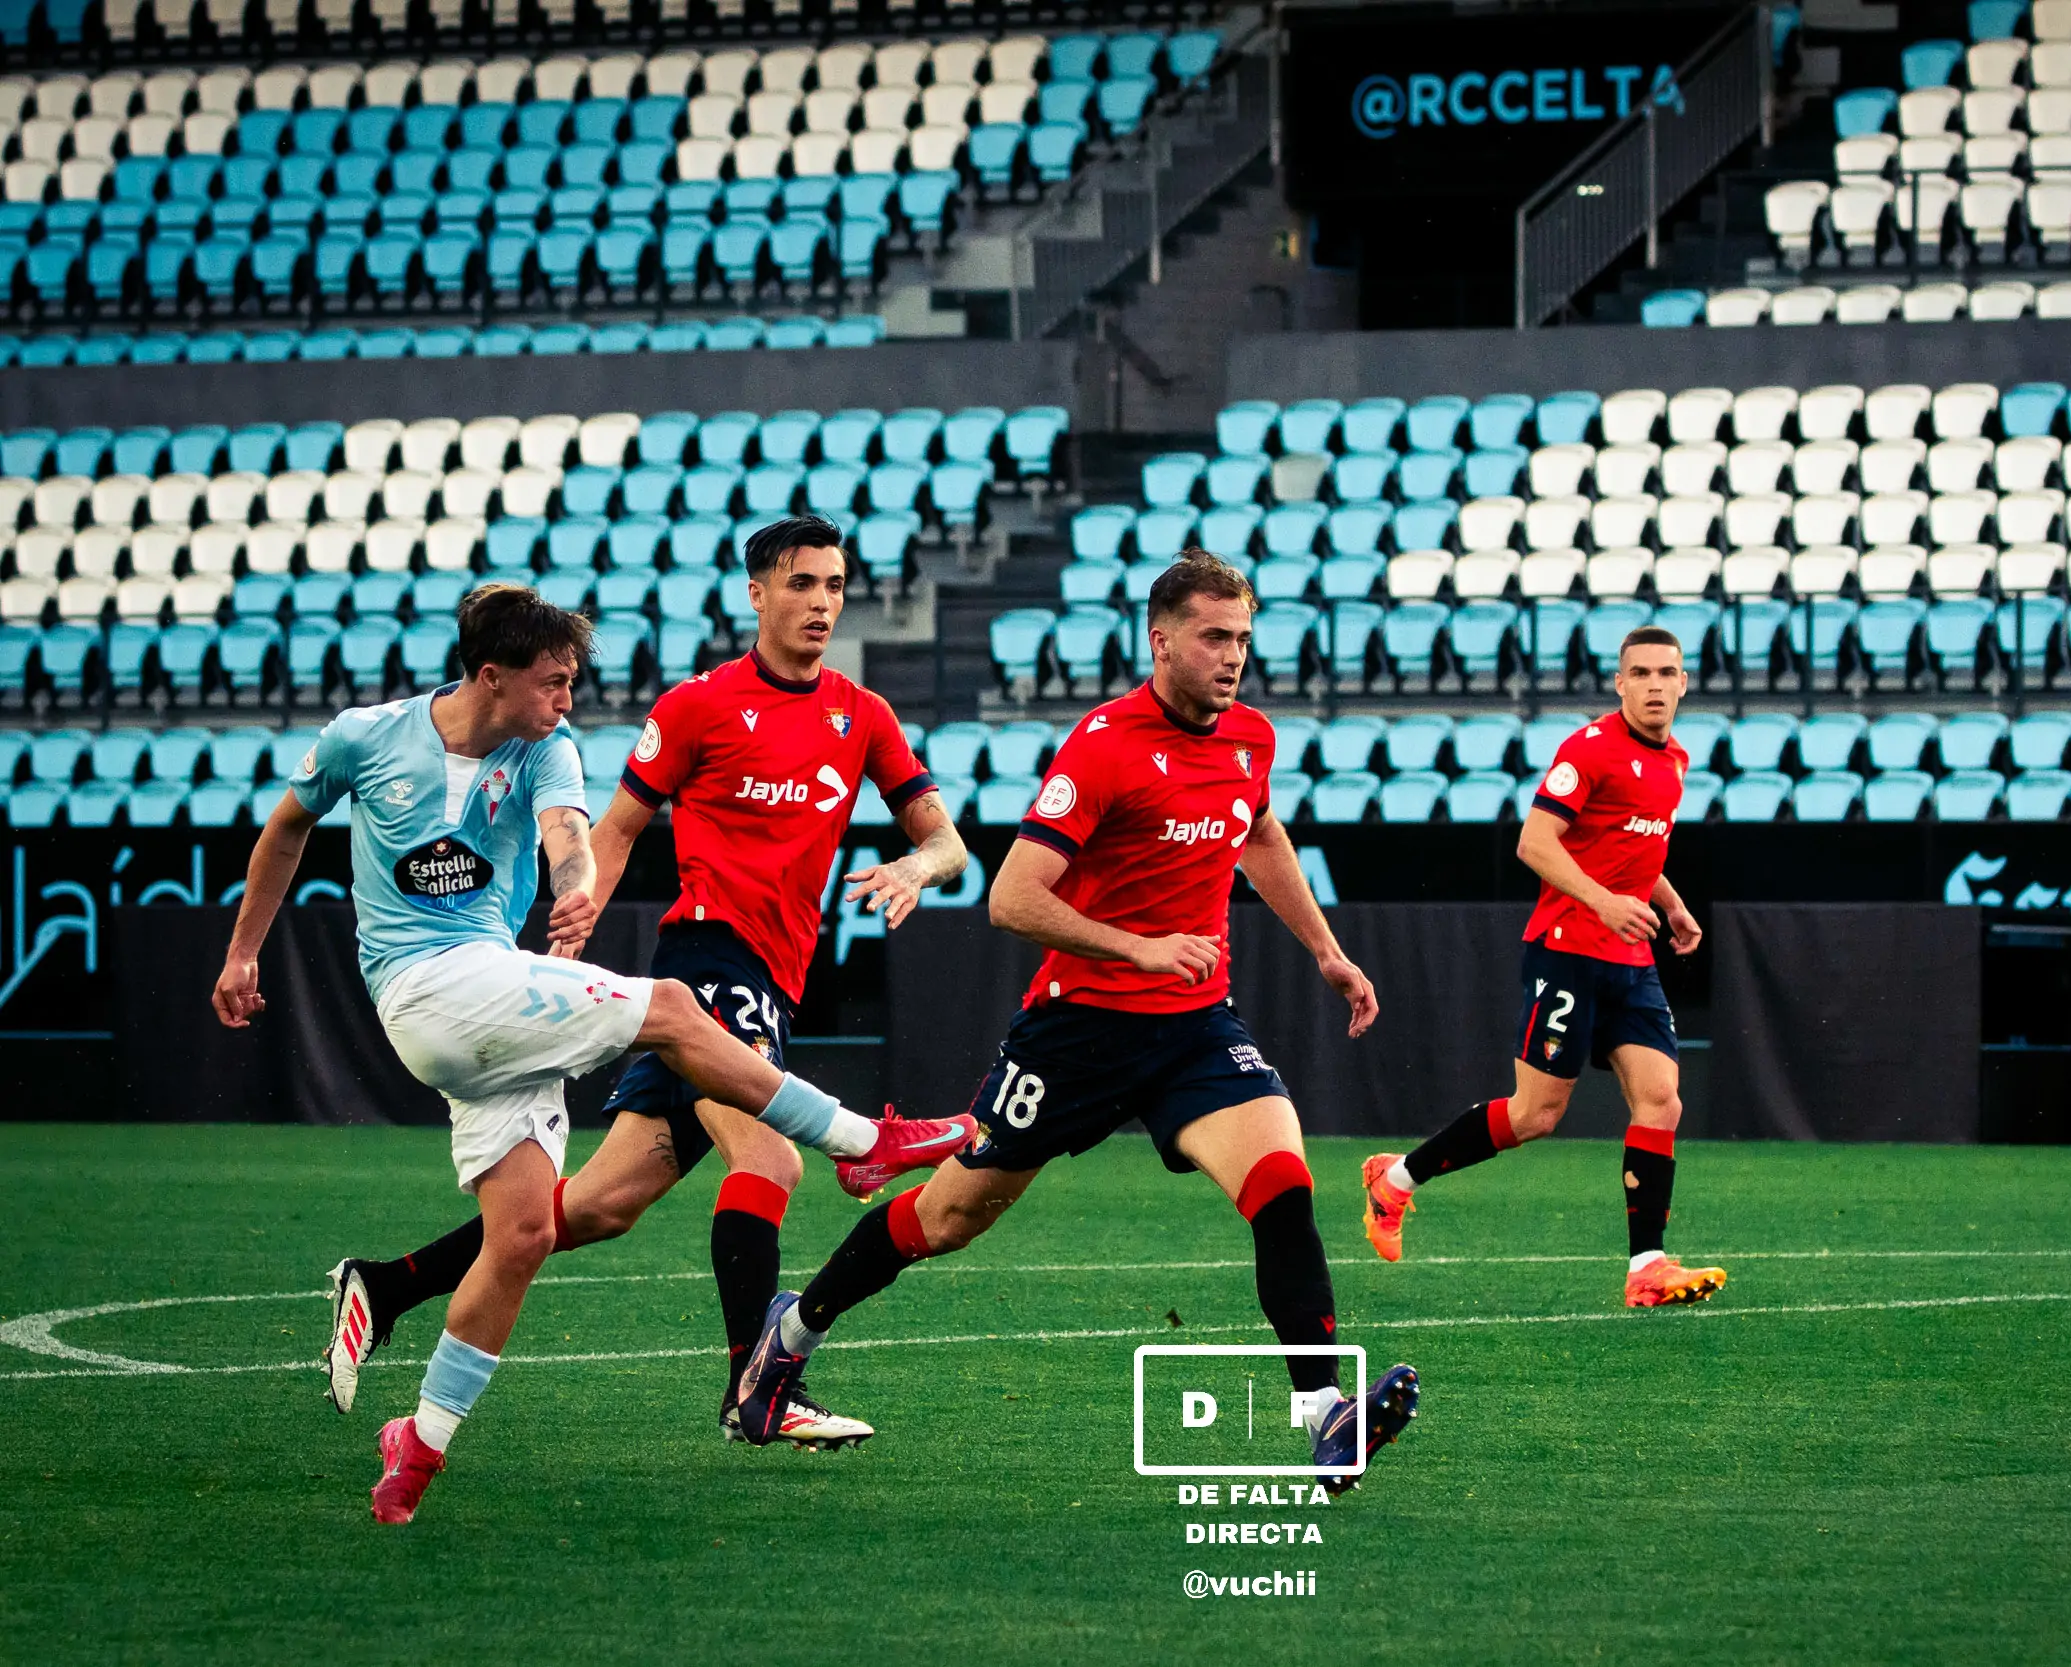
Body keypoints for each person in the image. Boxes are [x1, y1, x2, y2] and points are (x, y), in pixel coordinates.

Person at [216, 582, 940, 1524]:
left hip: (495, 993)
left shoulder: (547, 747)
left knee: (532, 1231)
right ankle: (861, 1142)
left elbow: (571, 832)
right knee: (676, 1012)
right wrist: (242, 952)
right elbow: (286, 826)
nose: (568, 701)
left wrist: (573, 885)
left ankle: (417, 1440)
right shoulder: (365, 736)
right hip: (425, 987)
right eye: (553, 683)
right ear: (491, 676)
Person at [733, 552, 1422, 1492]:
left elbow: (1258, 832)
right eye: (1214, 637)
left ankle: (1325, 1413)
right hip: (1076, 1034)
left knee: (1282, 1184)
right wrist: (1139, 948)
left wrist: (1327, 951)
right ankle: (790, 1335)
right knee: (947, 1216)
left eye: (1243, 638)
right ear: (1161, 641)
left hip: (1195, 1028)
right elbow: (1012, 898)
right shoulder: (1104, 746)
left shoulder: (1250, 739)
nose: (1233, 656)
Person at [1357, 626, 1727, 1310]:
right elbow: (1534, 842)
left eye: (1665, 673)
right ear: (1619, 683)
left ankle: (1646, 1267)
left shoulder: (1675, 759)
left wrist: (1671, 904)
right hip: (1567, 950)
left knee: (1662, 1098)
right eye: (1640, 673)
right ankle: (1397, 1179)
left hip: (1630, 957)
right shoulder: (1589, 750)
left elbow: (1631, 850)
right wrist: (1603, 902)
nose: (1653, 685)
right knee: (1535, 1115)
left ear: (1683, 683)